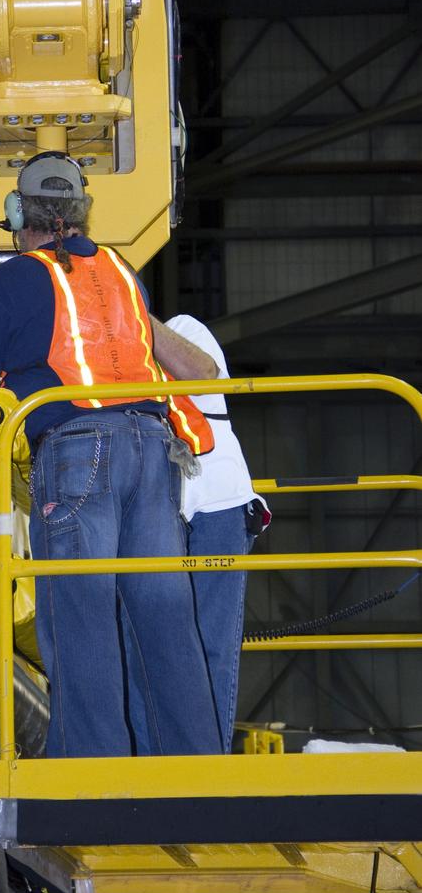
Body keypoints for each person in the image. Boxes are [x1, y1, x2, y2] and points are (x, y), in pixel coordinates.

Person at [0, 151, 223, 759]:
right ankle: (199, 765)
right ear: (82, 212)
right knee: (163, 615)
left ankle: (93, 771)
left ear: (19, 214)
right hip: (153, 452)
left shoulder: (16, 279)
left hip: (80, 457)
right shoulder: (121, 273)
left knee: (78, 611)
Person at [166, 314, 270, 754]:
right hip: (164, 507)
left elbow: (204, 372)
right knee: (167, 645)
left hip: (217, 506)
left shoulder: (181, 328)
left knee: (212, 646)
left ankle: (208, 763)